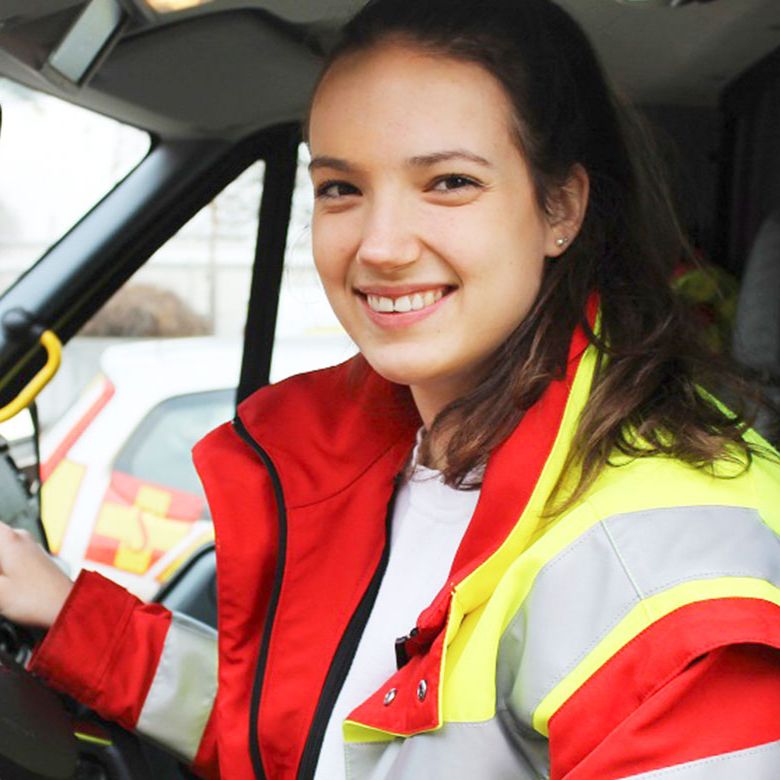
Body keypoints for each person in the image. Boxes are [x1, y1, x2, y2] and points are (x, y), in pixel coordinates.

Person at [1, 0, 779, 778]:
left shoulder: (671, 556)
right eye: (341, 188)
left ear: (560, 208)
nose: (380, 246)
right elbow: (312, 733)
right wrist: (73, 617)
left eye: (448, 182)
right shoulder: (383, 458)